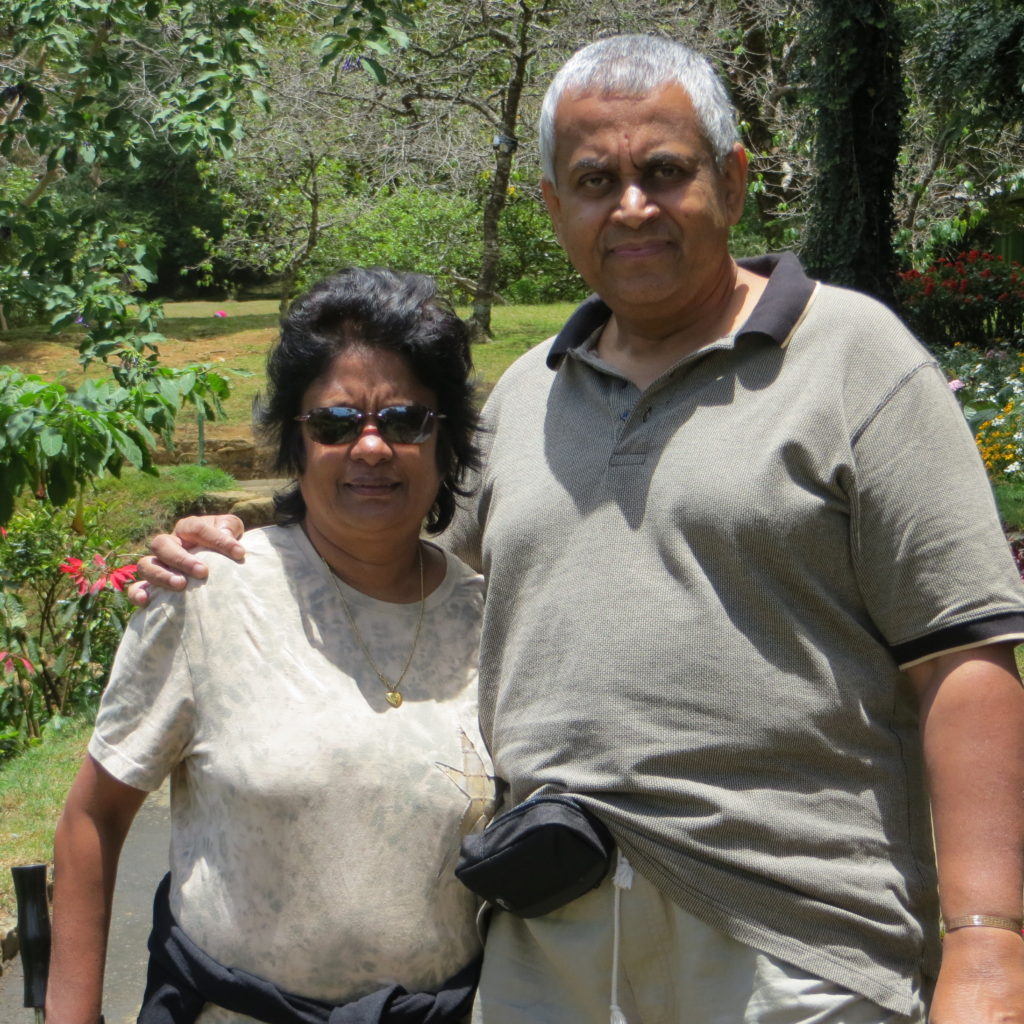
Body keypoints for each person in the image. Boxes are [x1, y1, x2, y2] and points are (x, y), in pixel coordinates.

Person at [135, 35, 1024, 1024]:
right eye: (595, 179)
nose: (631, 205)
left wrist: (987, 939)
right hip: (543, 940)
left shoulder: (854, 360)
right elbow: (395, 567)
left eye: (663, 171)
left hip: (794, 946)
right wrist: (245, 543)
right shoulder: (525, 397)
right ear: (555, 209)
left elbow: (962, 658)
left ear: (730, 181)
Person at [47, 267, 496, 1024]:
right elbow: (93, 819)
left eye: (406, 420)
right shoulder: (209, 593)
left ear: (443, 439)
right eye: (337, 422)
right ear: (296, 439)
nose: (372, 446)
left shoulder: (489, 619)